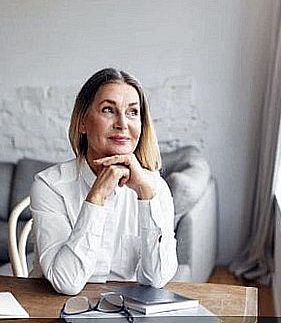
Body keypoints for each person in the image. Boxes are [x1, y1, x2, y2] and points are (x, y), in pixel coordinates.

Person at [30, 68, 178, 295]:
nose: (122, 123)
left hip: (128, 311)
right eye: (108, 110)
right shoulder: (49, 186)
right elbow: (66, 283)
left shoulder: (155, 187)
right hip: (56, 309)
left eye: (132, 112)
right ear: (82, 122)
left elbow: (156, 278)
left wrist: (146, 197)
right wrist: (96, 198)